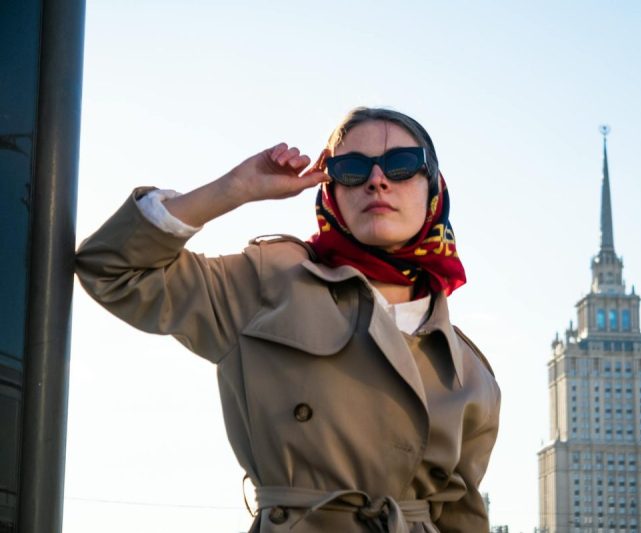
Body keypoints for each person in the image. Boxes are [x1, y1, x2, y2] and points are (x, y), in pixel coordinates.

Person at [75, 107, 501, 533]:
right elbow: (112, 270)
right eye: (350, 168)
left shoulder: (468, 371)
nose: (377, 179)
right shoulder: (270, 280)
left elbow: (460, 517)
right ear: (329, 189)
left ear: (434, 187)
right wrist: (235, 188)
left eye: (402, 165)